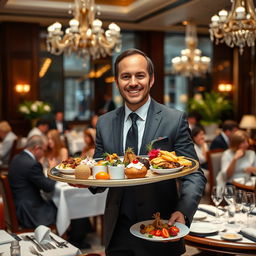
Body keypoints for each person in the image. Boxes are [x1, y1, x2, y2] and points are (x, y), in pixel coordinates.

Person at [92, 49, 206, 256]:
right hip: (118, 232)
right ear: (117, 82)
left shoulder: (174, 119)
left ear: (151, 80)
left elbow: (194, 173)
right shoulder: (104, 123)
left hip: (161, 226)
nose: (133, 82)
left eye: (140, 75)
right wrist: (85, 180)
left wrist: (184, 211)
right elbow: (100, 173)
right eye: (126, 76)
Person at [8, 135, 56, 228]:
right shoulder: (32, 164)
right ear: (37, 148)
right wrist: (52, 170)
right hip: (30, 211)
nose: (44, 154)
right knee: (62, 206)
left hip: (18, 206)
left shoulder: (16, 158)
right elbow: (48, 187)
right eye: (44, 150)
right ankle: (75, 237)